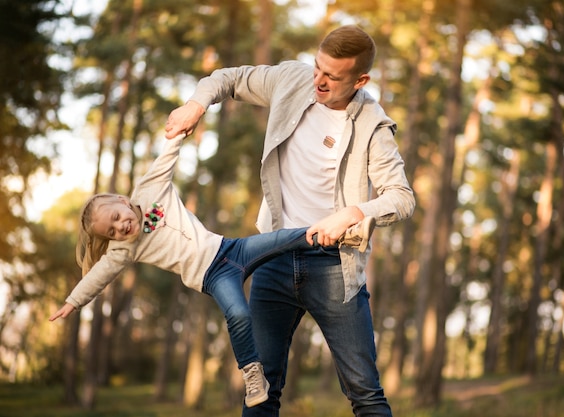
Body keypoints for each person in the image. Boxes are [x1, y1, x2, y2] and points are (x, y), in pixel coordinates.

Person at [165, 25, 415, 416]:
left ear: (361, 80)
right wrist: (196, 104)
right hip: (274, 256)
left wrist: (354, 213)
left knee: (365, 394)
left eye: (332, 76)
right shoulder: (293, 80)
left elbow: (401, 198)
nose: (318, 80)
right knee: (261, 391)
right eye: (318, 67)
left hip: (334, 267)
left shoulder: (373, 126)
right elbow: (228, 78)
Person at [48, 133, 376, 408]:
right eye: (112, 232)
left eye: (118, 218)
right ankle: (252, 374)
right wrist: (73, 301)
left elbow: (167, 155)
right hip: (214, 276)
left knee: (284, 238)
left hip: (229, 249)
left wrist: (181, 128)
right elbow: (98, 275)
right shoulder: (122, 250)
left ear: (122, 200)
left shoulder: (150, 190)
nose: (121, 228)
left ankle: (342, 233)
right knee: (238, 314)